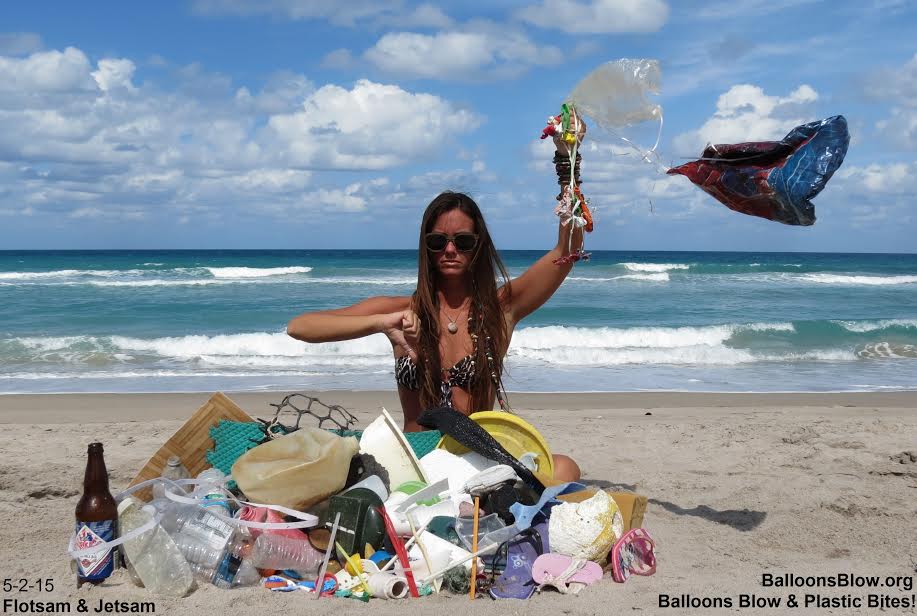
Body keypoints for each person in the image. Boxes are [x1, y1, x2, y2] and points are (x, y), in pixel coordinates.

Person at [287, 114, 587, 483]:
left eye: (462, 241)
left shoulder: (501, 309)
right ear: (425, 248)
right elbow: (299, 327)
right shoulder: (401, 312)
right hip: (416, 464)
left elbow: (568, 248)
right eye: (437, 242)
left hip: (476, 460)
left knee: (565, 467)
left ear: (478, 248)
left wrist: (568, 162)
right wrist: (381, 323)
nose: (449, 250)